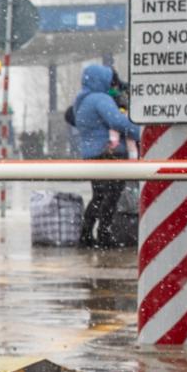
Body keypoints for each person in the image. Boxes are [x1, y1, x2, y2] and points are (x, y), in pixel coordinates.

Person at [71, 62, 137, 248]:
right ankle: (104, 235)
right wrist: (139, 131)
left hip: (92, 154)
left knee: (99, 195)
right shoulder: (100, 99)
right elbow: (118, 121)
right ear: (101, 80)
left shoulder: (83, 100)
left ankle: (86, 234)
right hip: (109, 154)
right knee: (111, 196)